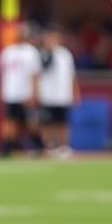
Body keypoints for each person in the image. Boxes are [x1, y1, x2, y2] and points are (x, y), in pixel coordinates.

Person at [0, 22, 42, 156]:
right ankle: (7, 147)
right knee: (9, 121)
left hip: (25, 93)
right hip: (11, 93)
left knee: (31, 122)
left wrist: (34, 93)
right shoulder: (7, 51)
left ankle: (36, 145)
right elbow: (3, 73)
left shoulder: (31, 52)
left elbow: (35, 75)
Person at [37, 26, 79, 158]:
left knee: (63, 122)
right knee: (47, 123)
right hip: (47, 95)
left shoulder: (65, 54)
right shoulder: (41, 54)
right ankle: (48, 146)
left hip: (62, 95)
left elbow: (72, 75)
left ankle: (63, 146)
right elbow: (38, 72)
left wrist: (75, 92)